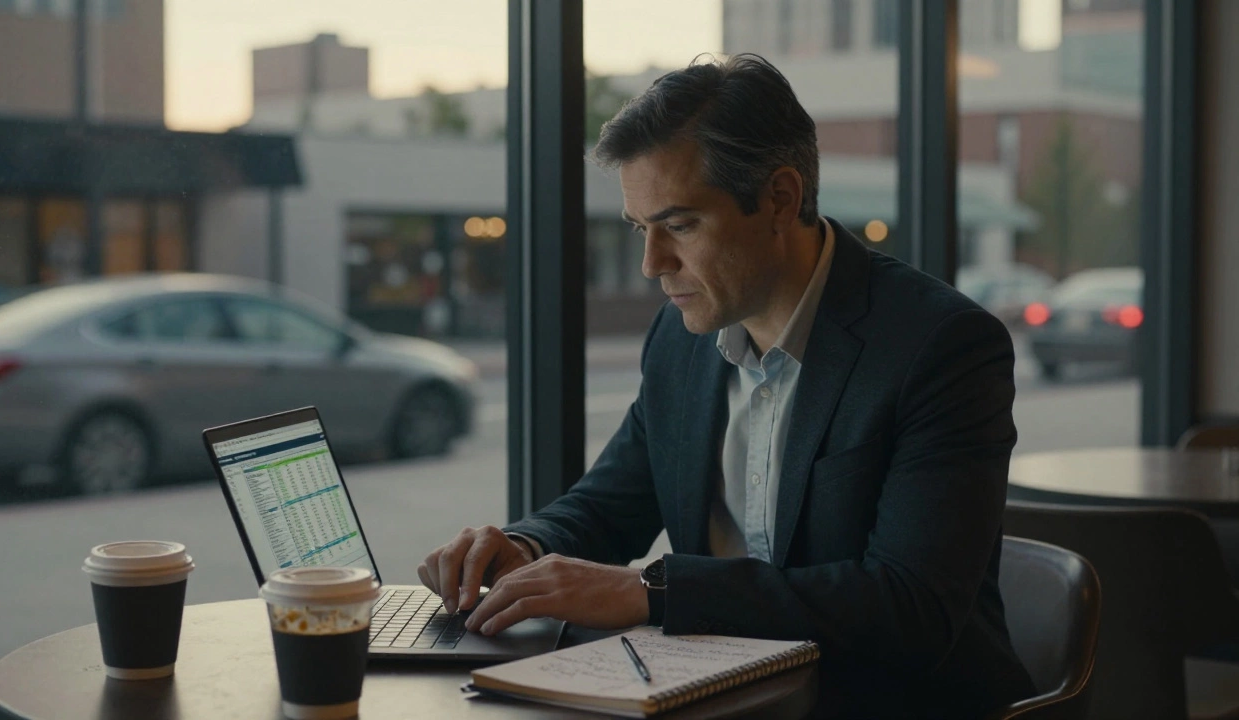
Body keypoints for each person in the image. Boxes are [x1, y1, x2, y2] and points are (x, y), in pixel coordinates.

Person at [418, 54, 1035, 718]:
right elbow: (611, 504)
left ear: (780, 199)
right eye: (641, 229)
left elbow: (910, 608)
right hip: (725, 701)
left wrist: (652, 593)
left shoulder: (940, 345)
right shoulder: (680, 335)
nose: (652, 264)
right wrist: (523, 546)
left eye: (679, 225)